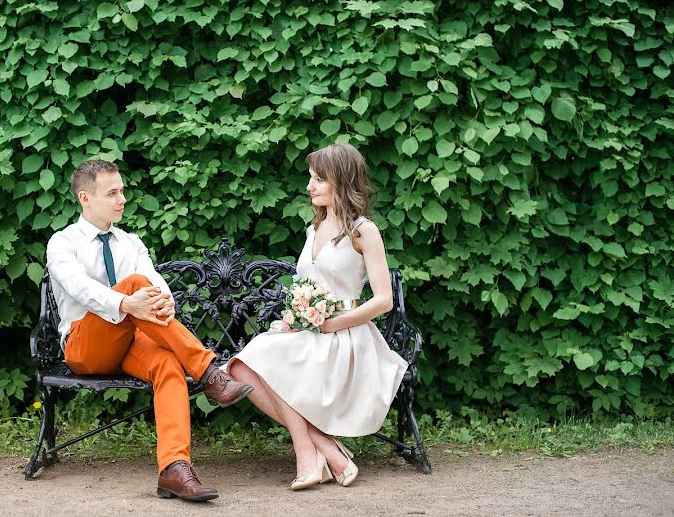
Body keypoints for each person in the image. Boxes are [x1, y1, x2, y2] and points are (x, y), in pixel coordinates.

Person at [46, 159, 254, 502]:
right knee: (134, 285)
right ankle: (209, 373)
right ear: (85, 197)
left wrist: (164, 303)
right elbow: (79, 287)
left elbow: (157, 286)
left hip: (130, 345)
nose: (121, 199)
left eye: (122, 191)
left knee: (168, 365)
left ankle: (174, 469)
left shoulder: (131, 242)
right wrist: (127, 303)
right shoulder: (63, 243)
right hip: (85, 346)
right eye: (112, 193)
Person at [228, 143, 409, 490]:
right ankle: (324, 448)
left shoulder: (363, 231)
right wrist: (294, 318)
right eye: (310, 178)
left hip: (348, 337)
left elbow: (383, 301)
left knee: (266, 362)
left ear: (340, 182)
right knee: (240, 366)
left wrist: (332, 324)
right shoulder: (315, 228)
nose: (310, 186)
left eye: (318, 180)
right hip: (311, 331)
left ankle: (308, 458)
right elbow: (307, 289)